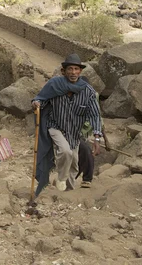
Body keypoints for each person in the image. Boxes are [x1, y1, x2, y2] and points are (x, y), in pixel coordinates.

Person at [32, 53, 103, 194]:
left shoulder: (87, 91)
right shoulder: (54, 85)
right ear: (64, 71)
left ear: (80, 71)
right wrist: (37, 103)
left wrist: (97, 138)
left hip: (74, 132)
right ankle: (61, 178)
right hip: (55, 126)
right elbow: (41, 99)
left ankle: (67, 192)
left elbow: (95, 114)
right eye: (70, 69)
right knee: (65, 151)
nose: (73, 72)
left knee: (74, 163)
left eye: (76, 69)